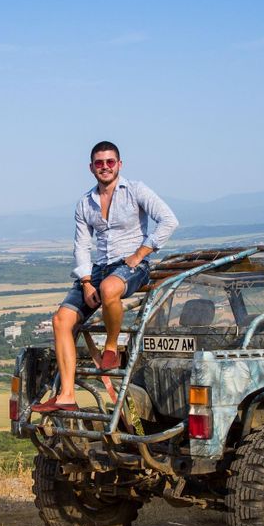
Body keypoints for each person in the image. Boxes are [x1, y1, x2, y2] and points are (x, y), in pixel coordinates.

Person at [32, 141, 178, 412]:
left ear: (119, 164)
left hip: (131, 265)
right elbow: (81, 245)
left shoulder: (136, 190)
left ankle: (110, 348)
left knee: (110, 288)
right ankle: (66, 395)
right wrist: (86, 282)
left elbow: (169, 220)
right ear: (91, 168)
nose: (105, 167)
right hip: (98, 269)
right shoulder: (85, 203)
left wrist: (140, 253)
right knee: (61, 320)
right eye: (99, 163)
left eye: (110, 162)